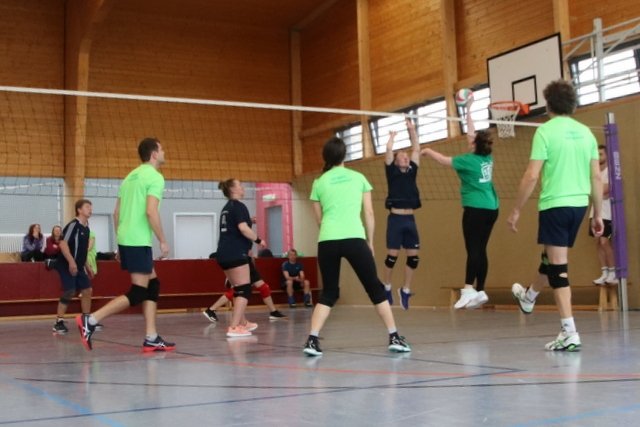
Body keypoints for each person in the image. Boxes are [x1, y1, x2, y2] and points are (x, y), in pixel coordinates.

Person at [507, 80, 603, 352]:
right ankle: (529, 296)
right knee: (550, 258)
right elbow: (596, 176)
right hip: (579, 206)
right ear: (572, 105)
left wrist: (516, 209)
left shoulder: (545, 132)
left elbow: (531, 175)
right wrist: (597, 213)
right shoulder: (586, 133)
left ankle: (569, 332)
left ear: (548, 105)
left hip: (555, 205)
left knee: (559, 268)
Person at [303, 137, 411, 357]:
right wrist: (370, 242)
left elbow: (319, 220)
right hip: (354, 238)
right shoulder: (359, 178)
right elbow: (369, 213)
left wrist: (331, 232)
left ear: (326, 157)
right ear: (344, 155)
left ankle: (312, 340)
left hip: (327, 240)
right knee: (375, 288)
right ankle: (394, 337)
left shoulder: (318, 182)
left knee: (329, 292)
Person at [76, 137, 175, 352]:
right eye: (162, 149)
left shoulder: (129, 177)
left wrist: (121, 244)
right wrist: (163, 240)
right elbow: (151, 211)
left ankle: (151, 336)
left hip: (127, 239)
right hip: (138, 241)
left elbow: (116, 213)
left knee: (153, 285)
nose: (164, 152)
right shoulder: (155, 177)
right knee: (138, 292)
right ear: (154, 154)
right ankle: (90, 320)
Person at [421, 95, 499, 309]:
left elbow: (443, 160)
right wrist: (469, 109)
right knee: (481, 249)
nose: (469, 138)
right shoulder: (487, 157)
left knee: (473, 249)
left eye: (471, 139)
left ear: (474, 144)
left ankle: (467, 289)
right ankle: (480, 290)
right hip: (492, 208)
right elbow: (472, 133)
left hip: (475, 209)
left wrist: (427, 151)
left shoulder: (467, 161)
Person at [216, 178, 267, 338]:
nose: (243, 187)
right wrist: (258, 240)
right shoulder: (239, 206)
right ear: (233, 189)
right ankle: (234, 327)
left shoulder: (227, 208)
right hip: (236, 253)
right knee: (244, 289)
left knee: (238, 289)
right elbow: (243, 228)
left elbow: (236, 226)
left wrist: (248, 221)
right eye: (240, 185)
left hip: (223, 253)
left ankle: (243, 322)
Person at [382, 118, 421, 309]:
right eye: (402, 157)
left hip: (410, 218)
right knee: (392, 256)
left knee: (414, 258)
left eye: (407, 157)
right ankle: (387, 286)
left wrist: (411, 130)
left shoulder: (412, 171)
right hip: (396, 218)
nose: (406, 158)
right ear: (396, 162)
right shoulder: (392, 172)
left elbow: (416, 148)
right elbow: (389, 151)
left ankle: (405, 290)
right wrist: (391, 138)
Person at [203, 255, 286, 322]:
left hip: (246, 260)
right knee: (239, 290)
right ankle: (212, 310)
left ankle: (273, 312)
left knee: (263, 288)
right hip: (241, 260)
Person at [590, 145, 617, 286]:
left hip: (607, 213)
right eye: (596, 154)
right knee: (598, 242)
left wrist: (598, 191)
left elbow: (605, 190)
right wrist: (598, 191)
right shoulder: (595, 172)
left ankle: (613, 272)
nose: (598, 157)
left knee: (604, 242)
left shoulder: (610, 171)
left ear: (606, 155)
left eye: (601, 154)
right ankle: (604, 272)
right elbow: (592, 191)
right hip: (595, 212)